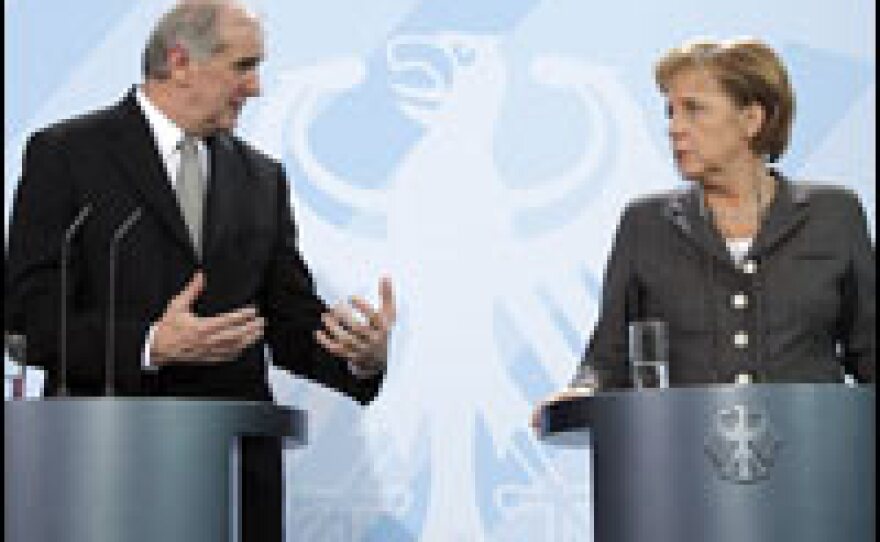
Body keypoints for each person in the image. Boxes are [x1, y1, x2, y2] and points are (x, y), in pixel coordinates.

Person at [5, 1, 395, 539]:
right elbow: (28, 319)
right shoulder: (67, 153)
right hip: (103, 469)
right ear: (180, 61)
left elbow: (287, 321)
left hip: (234, 472)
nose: (256, 87)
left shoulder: (262, 178)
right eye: (243, 66)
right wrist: (148, 344)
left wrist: (359, 358)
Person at [534, 37, 874, 420]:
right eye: (671, 112)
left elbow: (869, 351)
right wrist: (583, 391)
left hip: (811, 459)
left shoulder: (834, 213)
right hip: (684, 461)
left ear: (751, 119)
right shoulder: (644, 223)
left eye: (693, 110)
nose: (675, 128)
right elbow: (609, 359)